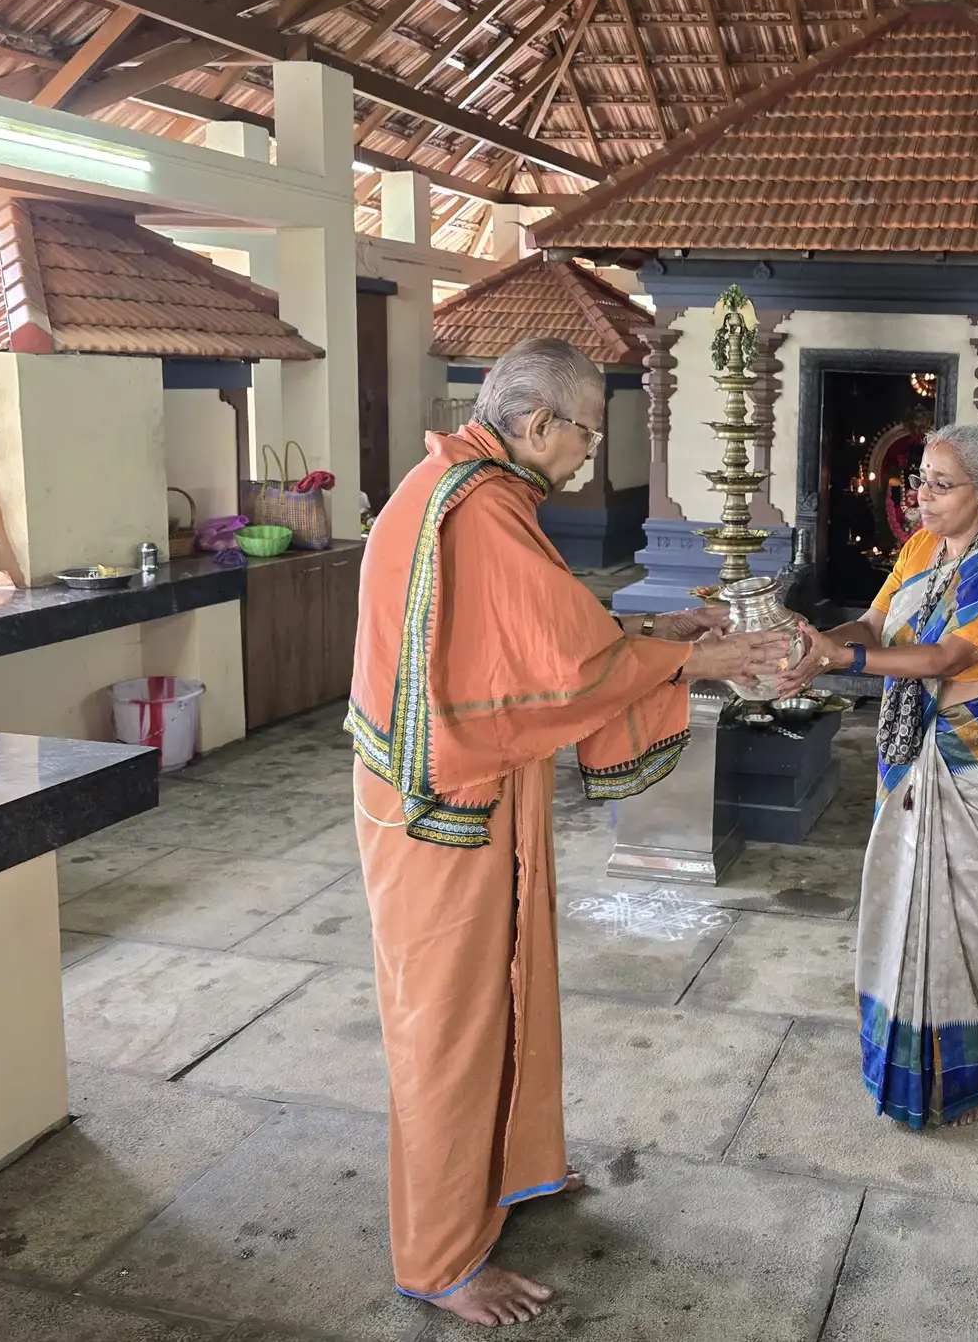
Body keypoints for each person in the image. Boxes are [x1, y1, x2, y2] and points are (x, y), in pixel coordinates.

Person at [348, 338, 791, 1328]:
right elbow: (561, 668)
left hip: (466, 787)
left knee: (510, 990)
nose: (591, 453)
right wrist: (703, 658)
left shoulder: (469, 484)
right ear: (540, 422)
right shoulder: (478, 507)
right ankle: (440, 1257)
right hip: (442, 811)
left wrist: (662, 634)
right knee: (449, 1030)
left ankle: (508, 1173)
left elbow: (531, 635)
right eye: (588, 432)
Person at [784, 423, 978, 1129]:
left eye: (941, 485)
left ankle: (966, 1081)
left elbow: (947, 658)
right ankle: (900, 1070)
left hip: (972, 768)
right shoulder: (920, 549)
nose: (922, 496)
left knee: (968, 931)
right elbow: (874, 623)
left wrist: (843, 661)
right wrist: (822, 644)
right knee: (900, 910)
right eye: (919, 480)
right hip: (908, 755)